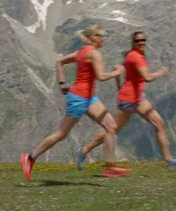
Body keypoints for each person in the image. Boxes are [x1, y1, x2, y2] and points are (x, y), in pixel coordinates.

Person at [21, 26, 131, 180]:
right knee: (61, 134)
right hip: (79, 98)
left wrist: (62, 83)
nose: (104, 38)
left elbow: (60, 62)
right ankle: (30, 157)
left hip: (89, 97)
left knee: (111, 127)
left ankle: (111, 167)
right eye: (101, 35)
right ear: (93, 37)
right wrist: (118, 72)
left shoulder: (82, 52)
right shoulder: (94, 53)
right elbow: (101, 76)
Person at [76, 31, 176, 171]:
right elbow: (147, 78)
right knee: (112, 130)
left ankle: (169, 160)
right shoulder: (136, 57)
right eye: (138, 41)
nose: (141, 43)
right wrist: (161, 72)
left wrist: (119, 86)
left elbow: (119, 69)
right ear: (133, 43)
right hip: (129, 101)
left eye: (143, 40)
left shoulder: (130, 56)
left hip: (137, 99)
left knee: (160, 124)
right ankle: (84, 151)